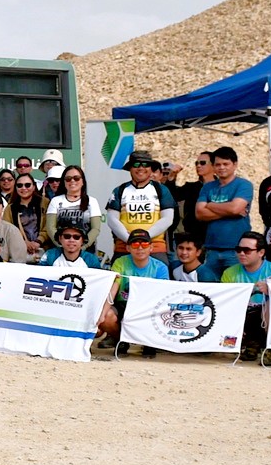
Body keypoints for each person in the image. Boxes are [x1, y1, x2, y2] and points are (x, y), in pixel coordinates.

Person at [220, 232, 271, 361]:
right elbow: (225, 302)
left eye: (247, 250)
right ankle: (239, 345)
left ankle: (270, 347)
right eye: (239, 250)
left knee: (270, 307)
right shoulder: (229, 273)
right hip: (242, 315)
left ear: (261, 252)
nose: (241, 254)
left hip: (266, 317)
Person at [109, 228, 170, 357]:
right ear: (128, 248)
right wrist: (103, 312)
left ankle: (149, 342)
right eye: (135, 244)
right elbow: (113, 288)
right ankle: (122, 340)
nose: (140, 248)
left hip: (149, 307)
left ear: (151, 248)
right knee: (107, 317)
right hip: (123, 305)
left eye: (145, 244)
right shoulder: (120, 263)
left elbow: (163, 296)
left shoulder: (160, 267)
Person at [194, 147, 254, 277]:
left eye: (225, 164)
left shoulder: (243, 185)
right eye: (218, 164)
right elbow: (199, 213)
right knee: (210, 291)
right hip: (211, 249)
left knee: (235, 289)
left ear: (235, 164)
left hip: (236, 249)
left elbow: (235, 208)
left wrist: (209, 205)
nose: (221, 167)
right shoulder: (208, 187)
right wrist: (230, 210)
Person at [105, 152, 175, 261]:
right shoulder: (120, 190)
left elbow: (168, 219)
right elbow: (112, 219)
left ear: (151, 169)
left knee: (161, 277)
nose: (141, 168)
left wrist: (144, 238)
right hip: (124, 248)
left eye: (146, 164)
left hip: (154, 248)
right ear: (130, 168)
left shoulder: (161, 190)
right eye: (136, 164)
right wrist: (131, 240)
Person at [43, 165, 101, 248]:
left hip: (85, 251)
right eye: (68, 179)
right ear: (64, 182)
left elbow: (95, 229)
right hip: (60, 250)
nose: (72, 181)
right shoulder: (55, 201)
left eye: (76, 178)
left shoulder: (92, 201)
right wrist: (61, 246)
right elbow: (50, 227)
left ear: (83, 181)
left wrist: (83, 247)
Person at [172, 152, 211, 249]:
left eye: (202, 163)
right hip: (194, 238)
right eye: (196, 163)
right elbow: (172, 197)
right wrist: (172, 177)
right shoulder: (191, 187)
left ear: (213, 165)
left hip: (215, 238)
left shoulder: (222, 187)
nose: (198, 166)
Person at [36, 219, 103, 268]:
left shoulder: (91, 260)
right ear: (60, 238)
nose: (71, 240)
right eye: (67, 236)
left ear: (82, 240)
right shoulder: (49, 255)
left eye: (76, 237)